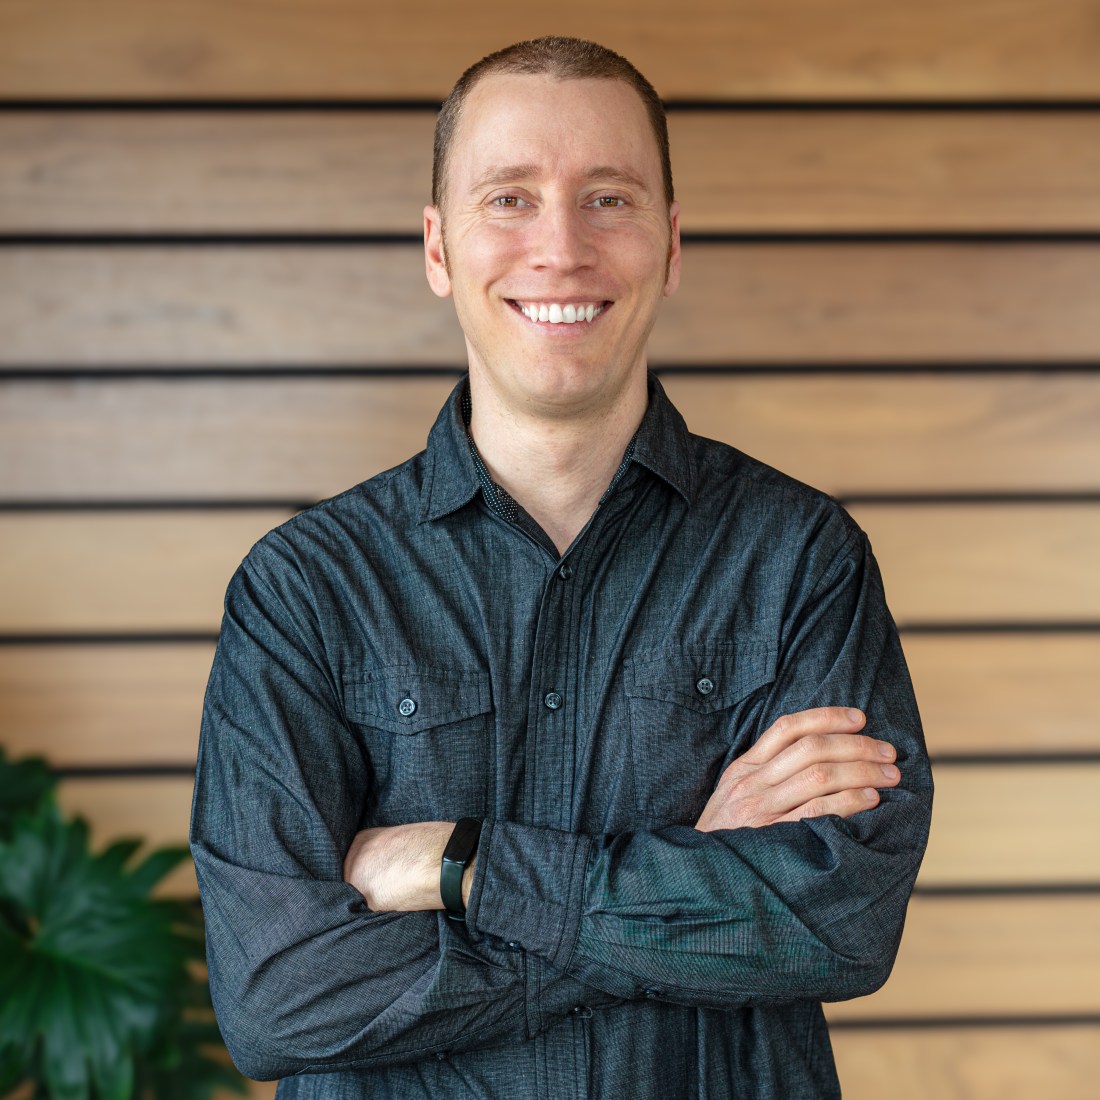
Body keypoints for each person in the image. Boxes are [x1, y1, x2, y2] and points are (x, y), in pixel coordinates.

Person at [190, 36, 933, 1099]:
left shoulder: (801, 561)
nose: (560, 249)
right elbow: (278, 997)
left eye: (608, 200)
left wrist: (459, 863)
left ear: (668, 246)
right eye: (509, 198)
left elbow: (839, 920)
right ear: (439, 250)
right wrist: (680, 881)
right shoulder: (306, 589)